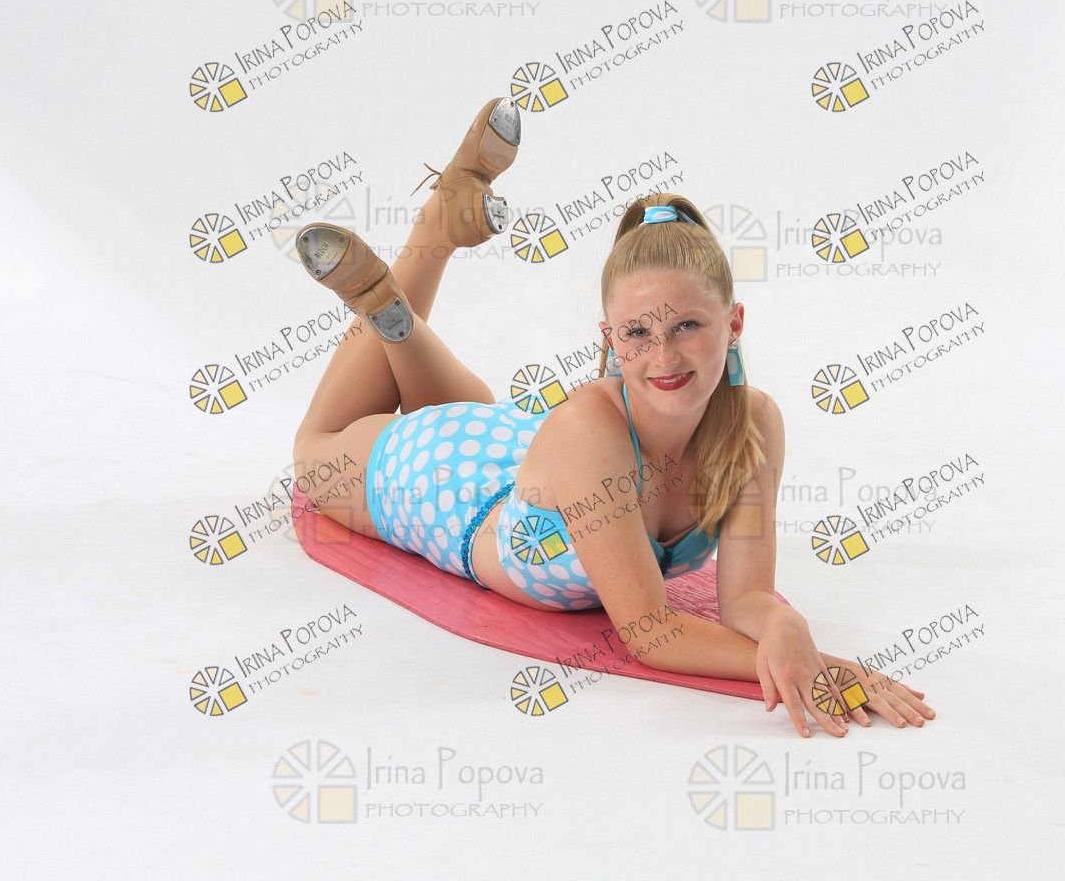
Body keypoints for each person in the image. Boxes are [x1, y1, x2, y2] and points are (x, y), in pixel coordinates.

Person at [290, 97, 935, 738]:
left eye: (688, 325)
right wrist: (818, 670)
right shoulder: (588, 428)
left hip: (509, 443)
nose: (664, 356)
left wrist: (784, 626)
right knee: (314, 456)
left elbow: (745, 600)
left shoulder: (755, 423)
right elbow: (652, 633)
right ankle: (411, 263)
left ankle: (404, 297)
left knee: (451, 403)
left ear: (734, 322)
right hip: (434, 480)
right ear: (609, 338)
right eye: (638, 333)